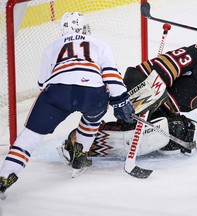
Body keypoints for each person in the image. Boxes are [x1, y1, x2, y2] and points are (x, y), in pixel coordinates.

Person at [0, 12, 134, 199]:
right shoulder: (98, 43)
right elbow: (111, 74)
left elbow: (42, 83)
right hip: (92, 94)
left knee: (29, 137)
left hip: (57, 93)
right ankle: (80, 154)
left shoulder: (52, 46)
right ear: (85, 28)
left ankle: (4, 177)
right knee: (92, 117)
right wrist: (121, 100)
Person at [60, 37, 197, 161]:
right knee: (164, 128)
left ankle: (116, 138)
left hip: (160, 104)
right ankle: (78, 142)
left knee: (182, 131)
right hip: (141, 83)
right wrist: (152, 89)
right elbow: (169, 63)